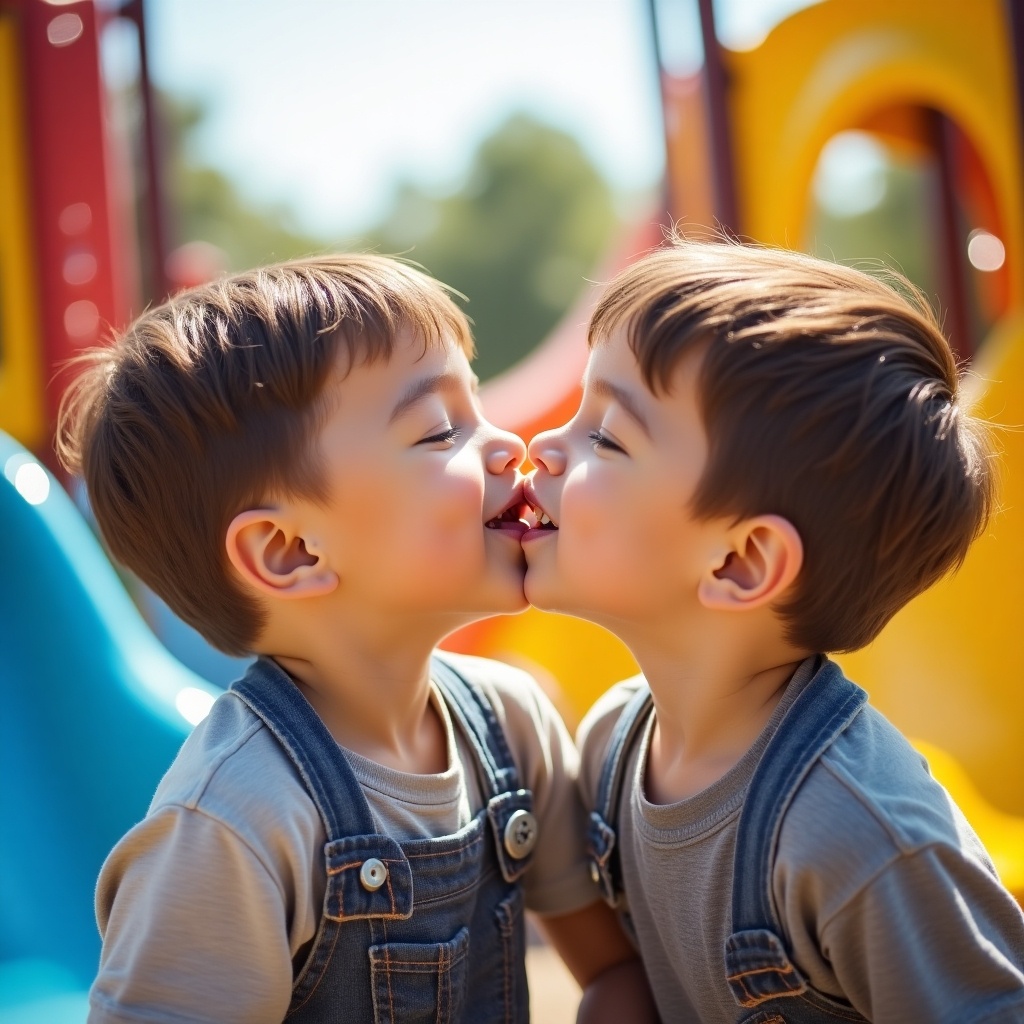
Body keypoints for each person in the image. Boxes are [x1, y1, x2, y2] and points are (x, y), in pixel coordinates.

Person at [58, 255, 654, 1024]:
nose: (509, 442)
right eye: (441, 429)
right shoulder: (236, 822)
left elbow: (612, 970)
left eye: (474, 403)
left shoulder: (511, 727)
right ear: (290, 552)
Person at [522, 239, 1024, 1022]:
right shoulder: (614, 742)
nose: (547, 447)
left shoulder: (858, 832)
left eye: (608, 437)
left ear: (742, 563)